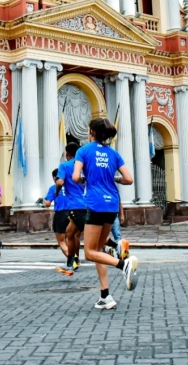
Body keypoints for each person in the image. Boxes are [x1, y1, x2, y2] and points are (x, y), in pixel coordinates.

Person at [73, 118, 139, 310]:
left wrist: (87, 179)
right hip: (112, 204)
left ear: (92, 132)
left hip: (95, 204)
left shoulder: (83, 151)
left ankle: (123, 265)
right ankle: (105, 296)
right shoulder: (114, 153)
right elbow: (128, 179)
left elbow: (76, 177)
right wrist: (113, 178)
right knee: (99, 249)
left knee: (89, 252)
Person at [56, 142, 84, 276]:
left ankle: (116, 246)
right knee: (71, 233)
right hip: (89, 203)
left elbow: (60, 182)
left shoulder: (64, 165)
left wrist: (57, 190)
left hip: (76, 205)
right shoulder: (84, 165)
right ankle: (72, 260)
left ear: (67, 154)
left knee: (92, 234)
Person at [44, 169, 69, 261]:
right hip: (73, 213)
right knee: (69, 238)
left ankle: (73, 260)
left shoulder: (53, 188)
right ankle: (74, 257)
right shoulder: (70, 186)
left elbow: (47, 203)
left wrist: (44, 202)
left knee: (61, 241)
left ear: (54, 178)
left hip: (61, 214)